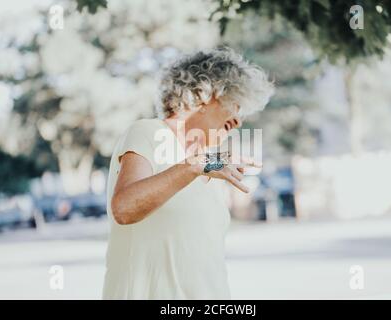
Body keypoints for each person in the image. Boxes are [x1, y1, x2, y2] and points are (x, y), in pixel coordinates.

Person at [102, 47, 274, 299]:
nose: (238, 121)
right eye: (235, 103)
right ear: (203, 93)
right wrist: (192, 166)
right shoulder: (148, 132)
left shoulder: (210, 167)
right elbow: (124, 208)